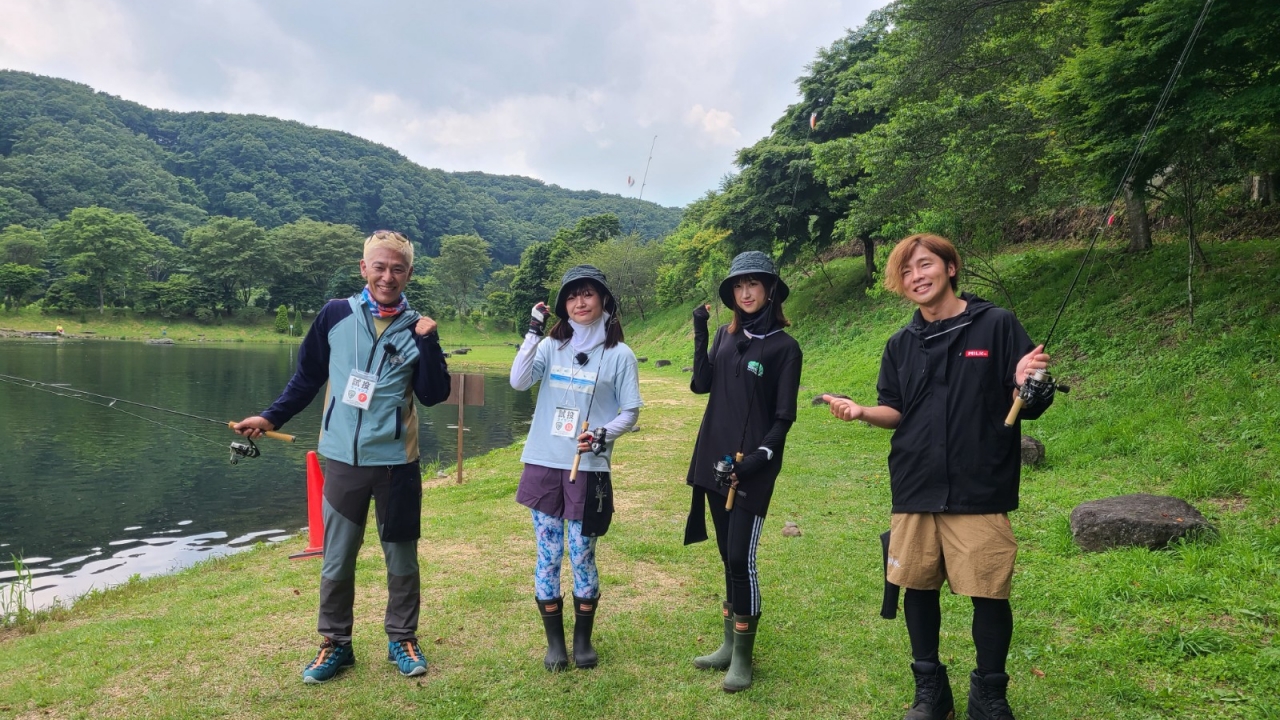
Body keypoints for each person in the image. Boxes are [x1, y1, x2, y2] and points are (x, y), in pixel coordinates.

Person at [822, 233, 1055, 720]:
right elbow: (896, 410)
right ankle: (931, 692)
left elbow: (1030, 400)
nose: (915, 277)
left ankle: (989, 695)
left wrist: (1028, 383)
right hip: (915, 483)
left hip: (979, 483)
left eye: (924, 265)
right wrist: (863, 411)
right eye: (905, 272)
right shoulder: (900, 344)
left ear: (950, 267)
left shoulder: (995, 325)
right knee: (919, 586)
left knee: (990, 590)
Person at [234, 230, 450, 684]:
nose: (387, 276)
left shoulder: (417, 327)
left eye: (397, 268)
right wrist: (271, 418)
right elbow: (307, 378)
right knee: (336, 560)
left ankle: (402, 638)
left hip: (397, 464)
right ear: (363, 268)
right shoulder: (334, 314)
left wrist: (429, 343)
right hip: (344, 462)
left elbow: (434, 394)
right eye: (380, 266)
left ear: (409, 273)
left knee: (402, 559)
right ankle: (336, 644)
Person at [509, 265, 642, 671]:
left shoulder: (620, 355)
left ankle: (582, 641)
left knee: (581, 554)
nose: (579, 303)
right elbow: (517, 381)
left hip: (589, 467)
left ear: (604, 300)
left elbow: (631, 412)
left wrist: (602, 435)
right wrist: (533, 331)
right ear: (562, 305)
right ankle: (555, 644)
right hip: (544, 463)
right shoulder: (550, 347)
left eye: (588, 294)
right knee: (548, 554)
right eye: (571, 296)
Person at [684, 251, 802, 693]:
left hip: (752, 468)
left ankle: (744, 659)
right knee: (723, 555)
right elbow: (701, 384)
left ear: (770, 289)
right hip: (715, 460)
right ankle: (728, 645)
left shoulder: (786, 348)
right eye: (739, 285)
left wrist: (756, 461)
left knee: (740, 558)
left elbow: (783, 417)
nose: (746, 292)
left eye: (754, 283)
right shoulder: (725, 335)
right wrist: (700, 331)